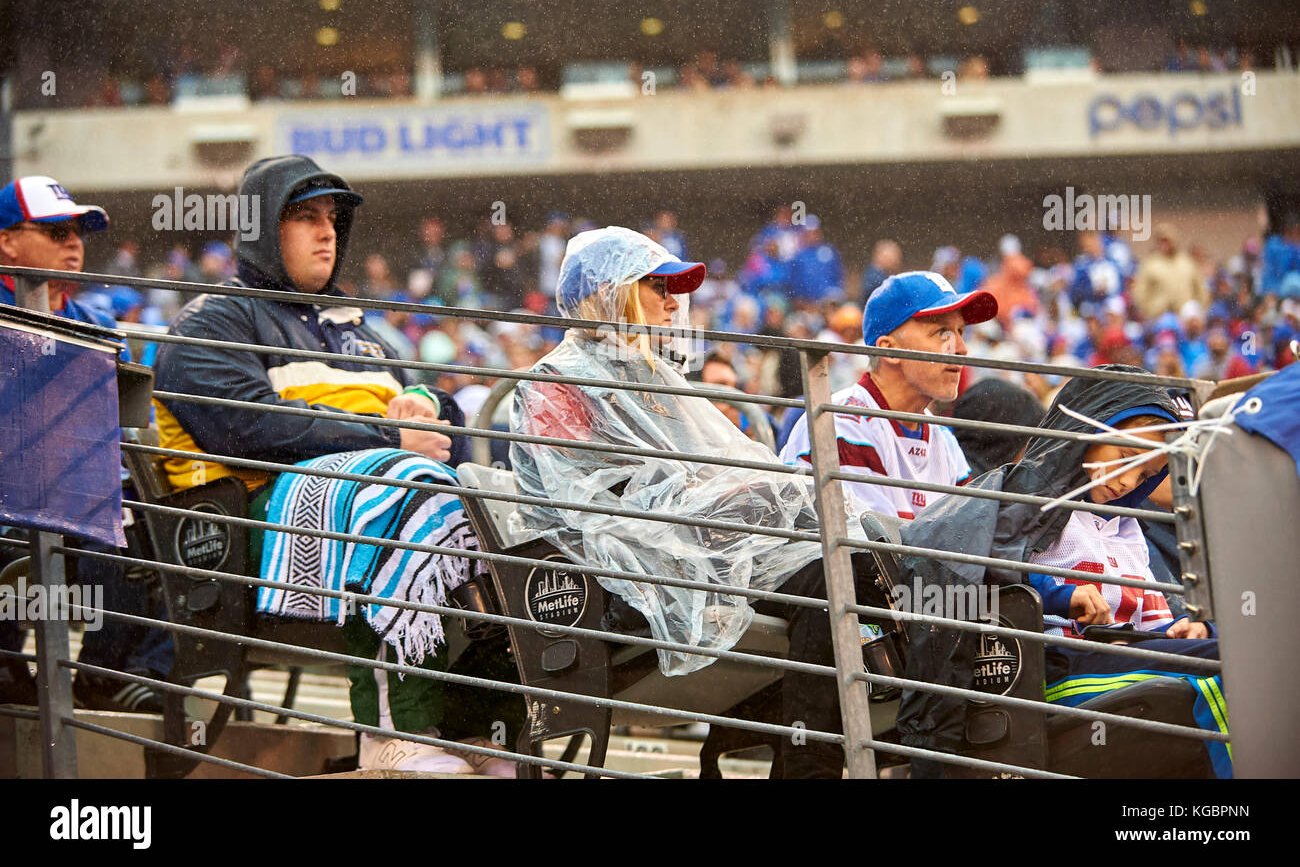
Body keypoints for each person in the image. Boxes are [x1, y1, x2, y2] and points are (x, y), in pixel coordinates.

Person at [152, 155, 519, 774]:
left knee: (499, 503)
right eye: (305, 217)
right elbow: (250, 429)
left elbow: (436, 412)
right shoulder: (209, 322)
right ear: (262, 226)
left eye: (333, 219)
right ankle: (392, 734)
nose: (327, 232)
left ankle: (469, 727)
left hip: (356, 499)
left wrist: (425, 402)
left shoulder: (356, 330)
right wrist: (387, 434)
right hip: (241, 528)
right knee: (401, 490)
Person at [508, 227, 880, 778]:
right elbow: (586, 509)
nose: (672, 301)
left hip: (695, 554)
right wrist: (714, 499)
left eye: (673, 289)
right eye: (656, 286)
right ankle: (811, 767)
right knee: (831, 580)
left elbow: (706, 469)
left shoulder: (654, 377)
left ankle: (812, 757)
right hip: (618, 581)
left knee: (849, 563)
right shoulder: (553, 384)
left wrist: (742, 494)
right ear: (604, 295)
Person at [891, 365, 1229, 778]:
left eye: (1144, 473)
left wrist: (1188, 629)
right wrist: (1059, 595)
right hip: (1058, 667)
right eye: (1125, 459)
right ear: (1090, 428)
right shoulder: (1027, 504)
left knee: (1231, 654)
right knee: (1225, 675)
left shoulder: (1127, 527)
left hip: (1125, 655)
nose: (1128, 482)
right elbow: (977, 578)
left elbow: (1153, 619)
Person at [0, 175, 175, 713]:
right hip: (13, 505)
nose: (73, 243)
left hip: (84, 501)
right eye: (55, 231)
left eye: (78, 230)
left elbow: (135, 427)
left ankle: (114, 680)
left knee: (164, 522)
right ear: (6, 240)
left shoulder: (99, 326)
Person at [781, 271, 998, 519]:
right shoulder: (842, 424)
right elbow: (878, 555)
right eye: (943, 333)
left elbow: (968, 536)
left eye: (961, 331)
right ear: (889, 350)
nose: (961, 349)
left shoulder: (944, 440)